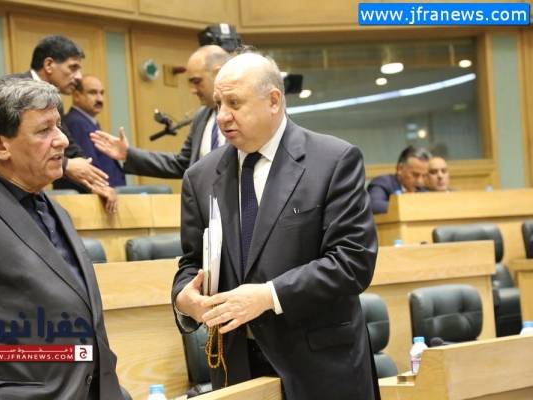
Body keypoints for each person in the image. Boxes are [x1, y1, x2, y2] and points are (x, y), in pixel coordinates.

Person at [172, 52, 379, 400]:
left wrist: (268, 296)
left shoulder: (333, 160)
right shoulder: (200, 177)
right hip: (237, 369)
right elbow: (191, 263)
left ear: (273, 101)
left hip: (320, 368)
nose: (222, 116)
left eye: (234, 103)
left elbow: (352, 263)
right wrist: (184, 298)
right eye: (219, 104)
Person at [0, 78, 124, 399]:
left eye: (58, 126)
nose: (62, 140)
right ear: (0, 146)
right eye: (44, 130)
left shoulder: (56, 210)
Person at [0, 35, 117, 213]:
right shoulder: (10, 90)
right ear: (49, 65)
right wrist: (67, 164)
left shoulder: (49, 100)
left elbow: (70, 147)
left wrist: (97, 183)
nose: (79, 77)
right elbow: (7, 142)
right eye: (73, 67)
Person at [89, 45, 230, 178]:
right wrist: (128, 154)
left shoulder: (241, 113)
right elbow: (183, 164)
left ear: (218, 74)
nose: (193, 90)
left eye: (197, 81)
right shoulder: (201, 117)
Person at [64, 75, 126, 189]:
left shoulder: (87, 122)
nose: (99, 99)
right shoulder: (76, 123)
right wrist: (104, 189)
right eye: (93, 93)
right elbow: (89, 166)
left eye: (101, 93)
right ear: (76, 96)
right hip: (96, 195)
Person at [367, 146, 431, 214]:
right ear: (400, 169)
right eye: (415, 175)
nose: (420, 181)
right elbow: (374, 205)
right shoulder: (383, 183)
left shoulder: (423, 189)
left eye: (424, 176)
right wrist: (410, 207)